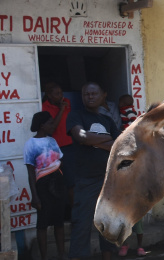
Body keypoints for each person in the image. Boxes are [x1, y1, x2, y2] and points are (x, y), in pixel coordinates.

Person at [66, 82, 120, 260]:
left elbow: (118, 145)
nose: (89, 97)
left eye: (93, 93)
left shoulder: (108, 121)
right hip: (85, 180)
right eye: (86, 94)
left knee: (108, 225)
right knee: (81, 225)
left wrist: (92, 140)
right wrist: (105, 140)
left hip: (107, 181)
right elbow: (80, 136)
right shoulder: (75, 116)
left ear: (103, 95)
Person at [23, 111, 66, 260]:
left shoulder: (52, 141)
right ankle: (44, 257)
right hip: (42, 187)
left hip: (57, 185)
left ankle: (62, 255)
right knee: (42, 224)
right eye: (50, 123)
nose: (53, 125)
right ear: (42, 126)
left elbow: (60, 161)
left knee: (59, 222)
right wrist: (35, 196)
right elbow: (30, 173)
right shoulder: (30, 144)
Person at [117, 94, 146, 257]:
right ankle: (126, 245)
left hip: (135, 199)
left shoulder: (128, 112)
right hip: (125, 200)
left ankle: (140, 246)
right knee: (124, 223)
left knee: (138, 223)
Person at [41, 81, 75, 215]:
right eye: (56, 94)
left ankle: (74, 214)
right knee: (58, 183)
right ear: (49, 95)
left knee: (72, 181)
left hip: (70, 146)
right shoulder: (45, 107)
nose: (60, 96)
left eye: (61, 93)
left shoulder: (66, 102)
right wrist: (61, 110)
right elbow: (52, 128)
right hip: (55, 148)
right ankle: (61, 214)